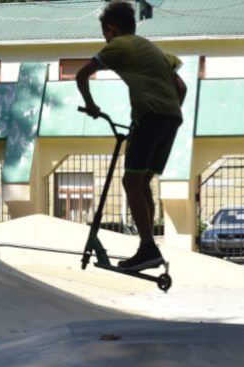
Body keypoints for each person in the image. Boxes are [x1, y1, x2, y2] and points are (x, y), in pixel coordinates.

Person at [76, 0, 187, 271]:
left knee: (130, 181)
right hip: (172, 117)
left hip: (149, 118)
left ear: (111, 29)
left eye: (105, 34)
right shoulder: (155, 50)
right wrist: (167, 110)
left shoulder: (118, 45)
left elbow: (81, 75)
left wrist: (91, 106)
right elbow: (181, 87)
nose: (105, 40)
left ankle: (147, 247)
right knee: (142, 182)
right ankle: (148, 247)